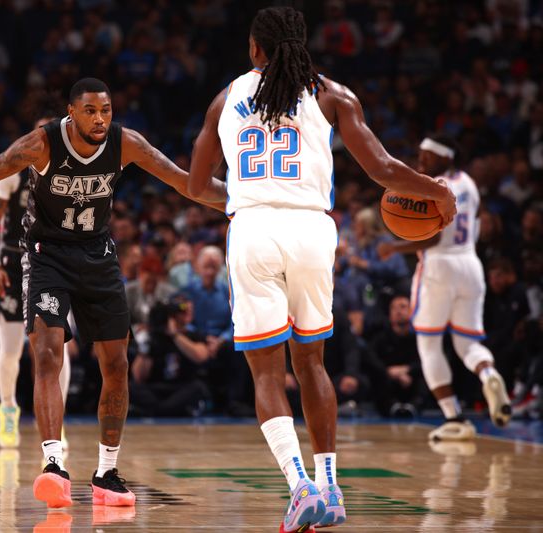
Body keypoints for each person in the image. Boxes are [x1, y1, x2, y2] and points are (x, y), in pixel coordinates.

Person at [0, 77, 226, 509]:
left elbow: (186, 184)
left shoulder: (127, 143)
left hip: (98, 255)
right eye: (90, 111)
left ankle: (107, 472)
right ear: (71, 112)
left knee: (117, 363)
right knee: (47, 351)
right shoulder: (41, 145)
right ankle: (53, 464)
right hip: (47, 255)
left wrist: (242, 201)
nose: (100, 118)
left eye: (106, 110)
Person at [187, 7, 455, 532]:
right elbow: (381, 168)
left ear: (255, 48)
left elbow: (197, 186)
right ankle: (329, 487)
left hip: (255, 229)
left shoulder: (225, 99)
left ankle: (299, 487)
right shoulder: (333, 94)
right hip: (312, 230)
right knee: (312, 363)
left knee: (266, 371)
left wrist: (246, 198)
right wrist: (437, 190)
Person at [379, 134, 511, 441]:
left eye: (427, 157)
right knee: (467, 343)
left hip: (439, 266)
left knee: (428, 344)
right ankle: (489, 375)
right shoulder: (469, 183)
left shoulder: (435, 185)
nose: (421, 161)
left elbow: (435, 237)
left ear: (445, 157)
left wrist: (395, 248)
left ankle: (454, 417)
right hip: (470, 264)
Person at [0, 116, 72, 448]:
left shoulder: (71, 168)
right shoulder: (16, 164)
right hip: (12, 258)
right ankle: (7, 408)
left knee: (58, 348)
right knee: (9, 350)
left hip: (52, 260)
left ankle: (55, 419)